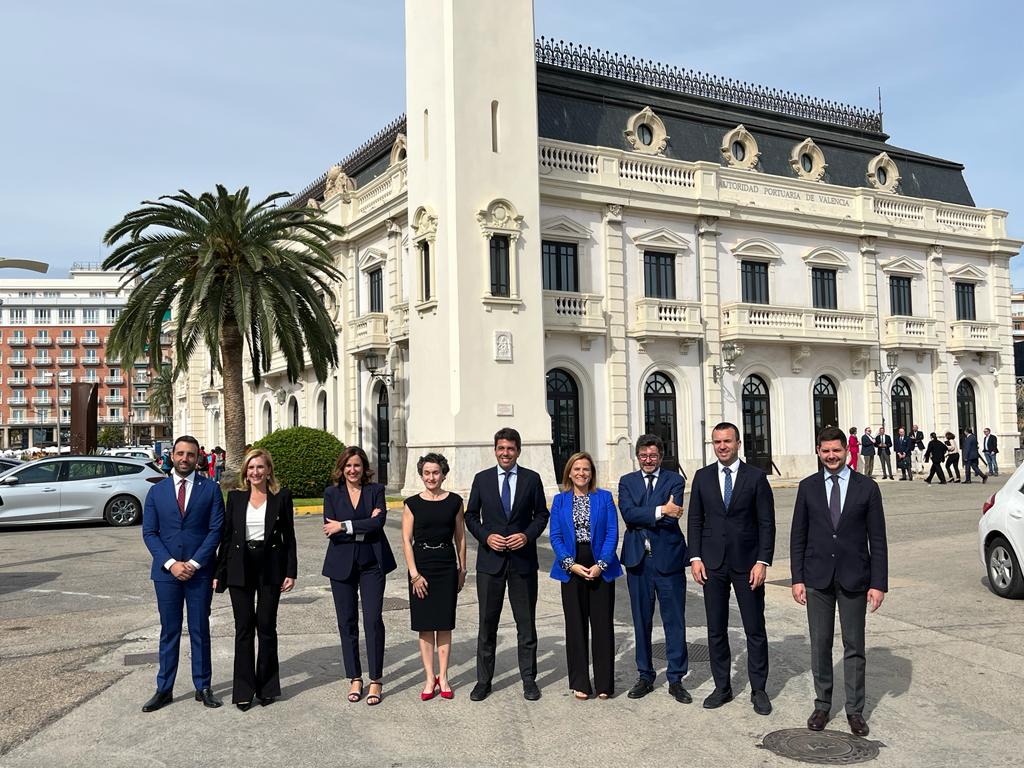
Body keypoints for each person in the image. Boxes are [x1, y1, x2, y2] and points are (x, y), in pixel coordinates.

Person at [790, 426, 888, 738]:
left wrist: (878, 583)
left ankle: (855, 710)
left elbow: (879, 539)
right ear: (818, 452)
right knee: (820, 644)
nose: (831, 456)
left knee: (854, 645)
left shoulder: (867, 488)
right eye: (826, 451)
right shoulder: (807, 487)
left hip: (854, 577)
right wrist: (797, 578)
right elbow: (798, 536)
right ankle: (822, 704)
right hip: (817, 577)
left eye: (837, 450)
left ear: (846, 451)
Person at [688, 423, 775, 715]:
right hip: (712, 564)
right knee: (716, 629)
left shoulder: (756, 478)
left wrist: (762, 561)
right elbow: (695, 521)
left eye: (727, 441)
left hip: (747, 564)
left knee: (754, 628)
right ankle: (722, 686)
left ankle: (759, 689)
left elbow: (766, 523)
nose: (722, 446)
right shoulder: (702, 477)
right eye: (717, 442)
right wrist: (695, 557)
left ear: (738, 443)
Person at [140, 435, 225, 712]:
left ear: (198, 457)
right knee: (170, 631)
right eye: (180, 454)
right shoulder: (157, 491)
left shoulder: (210, 489)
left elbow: (216, 531)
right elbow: (150, 533)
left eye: (190, 454)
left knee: (200, 629)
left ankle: (203, 686)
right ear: (172, 456)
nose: (184, 459)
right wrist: (171, 564)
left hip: (199, 573)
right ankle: (164, 688)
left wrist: (195, 563)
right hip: (166, 574)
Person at [465, 428, 550, 702]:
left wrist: (526, 535)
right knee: (487, 626)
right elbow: (470, 517)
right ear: (495, 450)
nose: (505, 453)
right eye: (501, 448)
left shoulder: (531, 479)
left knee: (526, 626)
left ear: (518, 451)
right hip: (490, 565)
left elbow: (541, 515)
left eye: (510, 449)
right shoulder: (482, 479)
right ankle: (483, 681)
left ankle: (529, 680)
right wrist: (486, 536)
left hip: (522, 564)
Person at [213, 448, 296, 709]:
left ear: (269, 470)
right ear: (245, 472)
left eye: (260, 467)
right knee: (244, 628)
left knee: (267, 627)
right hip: (240, 564)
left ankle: (268, 687)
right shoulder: (236, 498)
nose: (255, 472)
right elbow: (226, 538)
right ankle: (243, 690)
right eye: (251, 467)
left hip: (270, 566)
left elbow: (289, 537)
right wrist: (219, 572)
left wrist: (291, 571)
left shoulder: (281, 497)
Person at [618, 434, 691, 704]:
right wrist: (662, 510)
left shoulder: (675, 480)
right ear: (637, 457)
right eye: (643, 456)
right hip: (639, 561)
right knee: (641, 620)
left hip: (668, 560)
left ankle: (676, 678)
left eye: (653, 456)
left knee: (674, 622)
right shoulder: (627, 482)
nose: (648, 460)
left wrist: (646, 513)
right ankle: (645, 675)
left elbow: (675, 515)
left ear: (661, 456)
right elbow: (628, 514)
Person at [323, 446, 397, 706]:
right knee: (347, 621)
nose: (352, 470)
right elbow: (329, 528)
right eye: (348, 466)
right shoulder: (332, 494)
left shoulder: (375, 491)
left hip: (372, 564)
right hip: (341, 564)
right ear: (341, 469)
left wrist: (344, 525)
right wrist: (363, 522)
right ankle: (354, 677)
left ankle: (375, 679)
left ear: (364, 468)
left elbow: (378, 524)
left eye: (357, 465)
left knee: (373, 620)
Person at [548, 451, 622, 700]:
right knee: (576, 626)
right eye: (577, 469)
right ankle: (580, 682)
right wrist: (571, 564)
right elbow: (555, 537)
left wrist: (601, 564)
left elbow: (612, 533)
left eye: (586, 469)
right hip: (573, 566)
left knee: (602, 626)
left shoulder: (604, 498)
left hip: (600, 563)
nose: (581, 473)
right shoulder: (559, 501)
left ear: (592, 473)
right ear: (569, 472)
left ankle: (604, 684)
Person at [400, 453, 467, 701]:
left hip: (447, 566)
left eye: (436, 472)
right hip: (421, 567)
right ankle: (430, 679)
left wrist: (463, 569)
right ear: (421, 475)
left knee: (444, 624)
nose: (431, 477)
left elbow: (460, 537)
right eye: (427, 473)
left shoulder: (455, 502)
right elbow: (406, 540)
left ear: (443, 474)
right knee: (426, 626)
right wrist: (415, 575)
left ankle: (445, 677)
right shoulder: (412, 503)